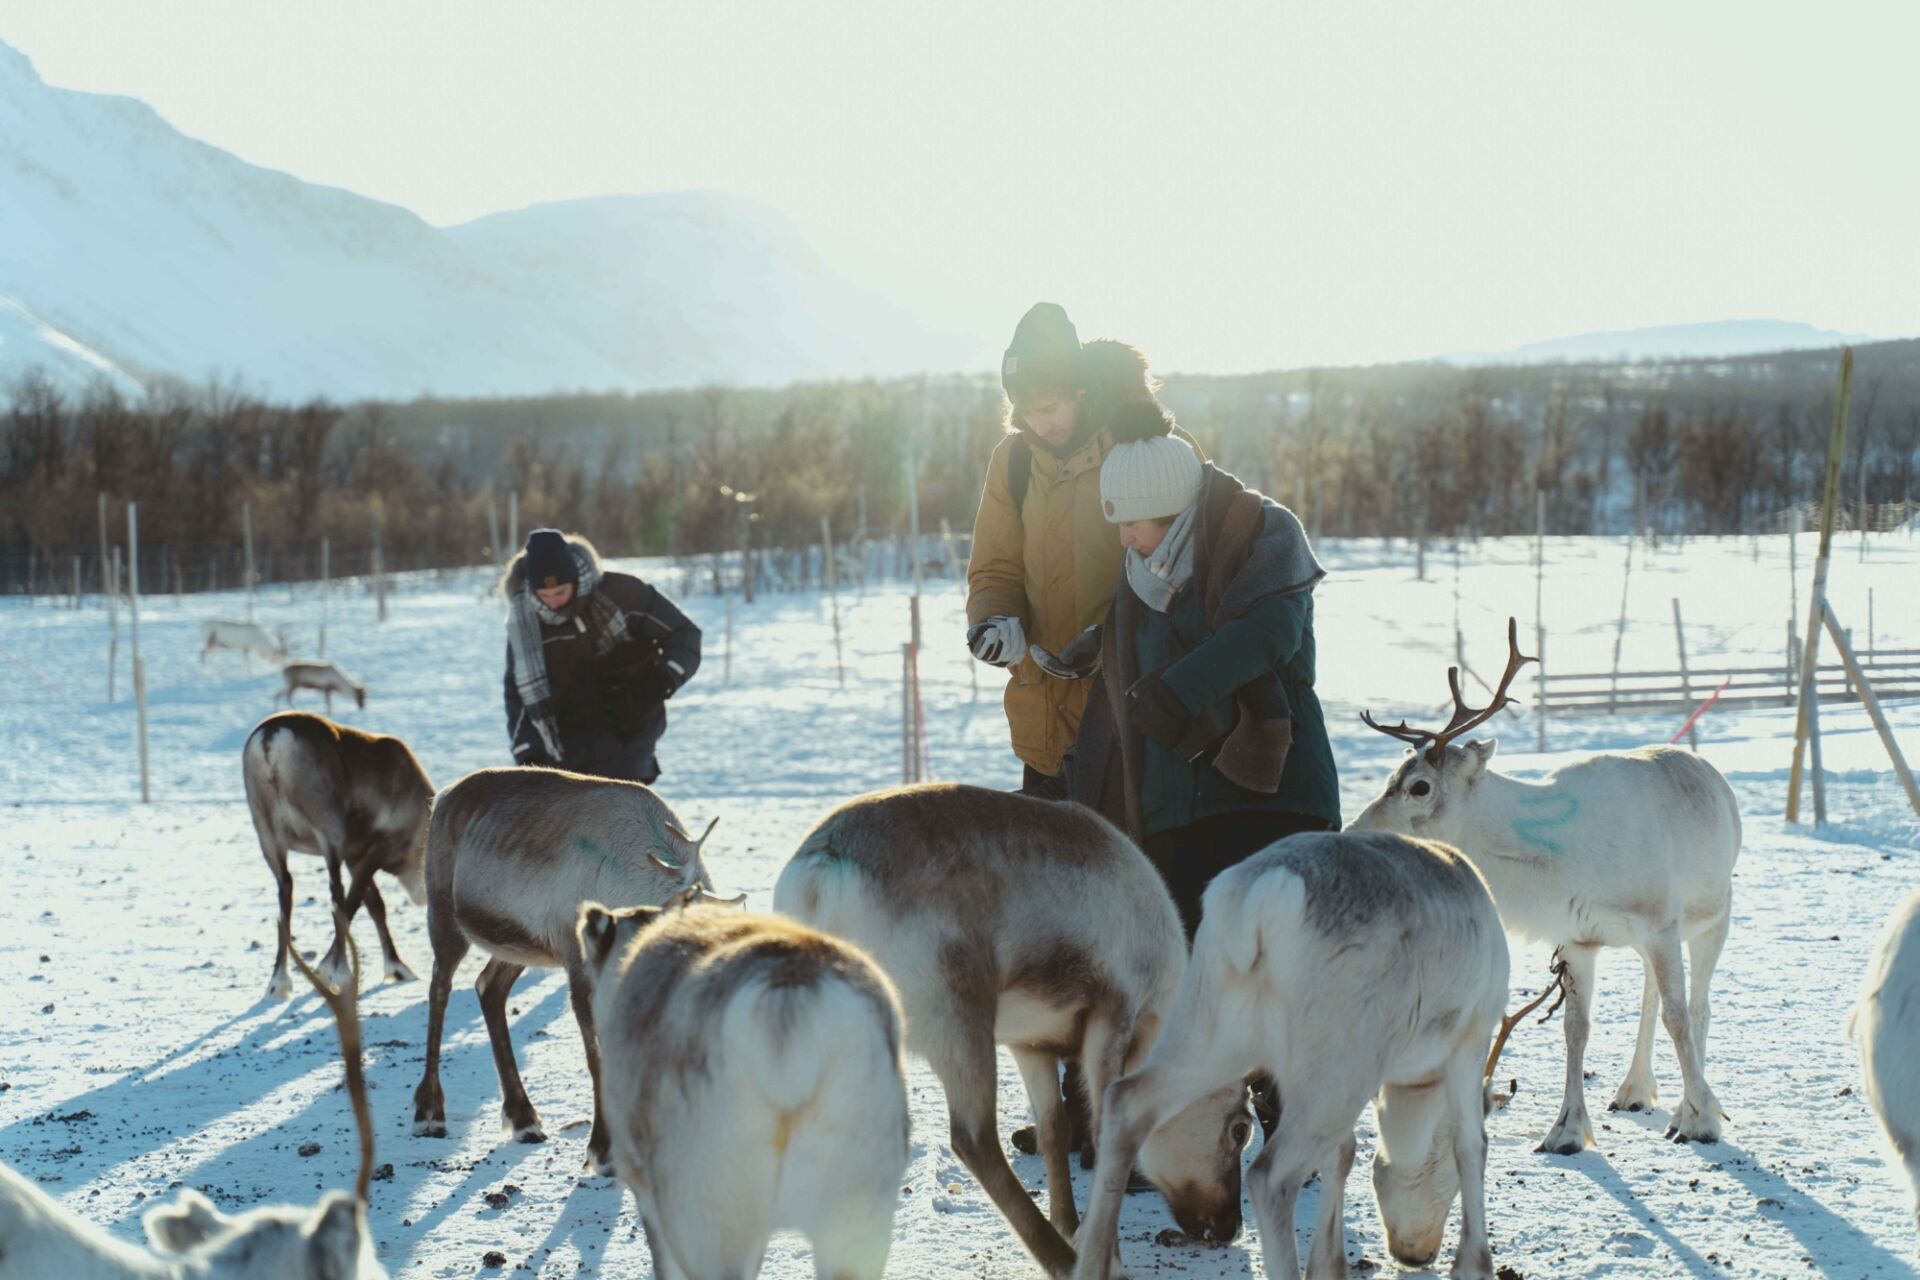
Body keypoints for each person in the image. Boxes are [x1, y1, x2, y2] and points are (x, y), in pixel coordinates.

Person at [1051, 422, 1341, 938]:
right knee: (1186, 978)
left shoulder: (1264, 536)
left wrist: (1176, 691)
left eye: (1133, 522)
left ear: (1172, 508)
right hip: (1176, 813)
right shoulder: (1140, 570)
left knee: (1274, 971)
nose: (1123, 538)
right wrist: (1104, 644)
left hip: (1272, 799)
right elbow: (1150, 653)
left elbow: (1268, 632)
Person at [965, 302, 1201, 797]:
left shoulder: (1145, 450)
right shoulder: (1012, 462)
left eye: (1049, 409)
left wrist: (1113, 639)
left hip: (1132, 724)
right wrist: (994, 620)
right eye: (1025, 410)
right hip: (1042, 730)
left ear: (1080, 391)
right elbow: (994, 567)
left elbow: (1191, 569)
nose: (1038, 423)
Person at [501, 528, 701, 783]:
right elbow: (517, 694)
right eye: (544, 596)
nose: (553, 603)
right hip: (563, 746)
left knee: (622, 814)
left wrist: (660, 682)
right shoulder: (524, 623)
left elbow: (684, 635)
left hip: (629, 731)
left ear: (575, 577)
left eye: (560, 592)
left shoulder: (622, 593)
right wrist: (527, 755)